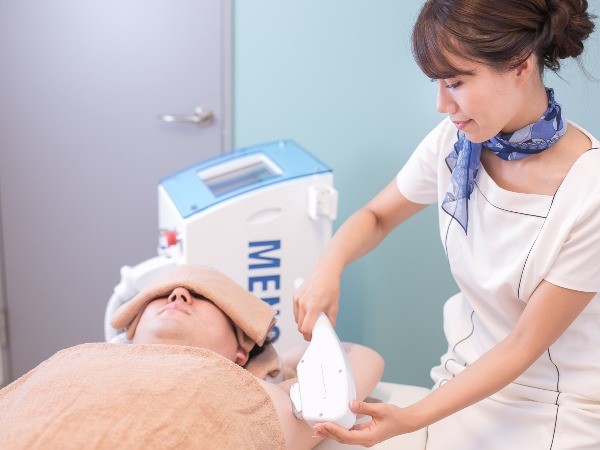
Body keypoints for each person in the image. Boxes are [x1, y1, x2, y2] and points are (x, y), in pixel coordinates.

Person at [294, 1, 599, 448]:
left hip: (555, 408)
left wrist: (410, 418)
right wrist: (328, 266)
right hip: (460, 384)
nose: (441, 104)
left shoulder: (590, 190)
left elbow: (523, 344)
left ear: (520, 64)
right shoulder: (456, 143)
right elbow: (376, 217)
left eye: (456, 82)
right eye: (438, 83)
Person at [0, 264, 384, 450]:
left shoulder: (249, 393)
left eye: (202, 297)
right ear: (129, 331)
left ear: (239, 350)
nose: (178, 296)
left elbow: (359, 358)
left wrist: (268, 362)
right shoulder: (75, 359)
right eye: (162, 294)